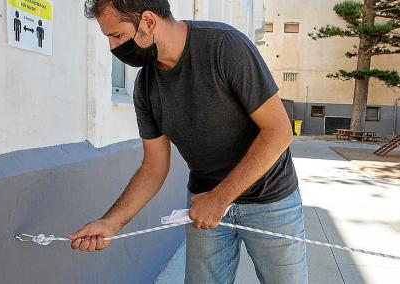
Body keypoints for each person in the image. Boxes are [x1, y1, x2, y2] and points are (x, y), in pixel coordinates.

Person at [68, 1, 308, 283]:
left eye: (117, 35)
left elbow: (279, 131)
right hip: (203, 206)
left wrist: (220, 198)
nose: (113, 47)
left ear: (147, 21)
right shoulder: (145, 86)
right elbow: (153, 167)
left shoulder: (224, 46)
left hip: (271, 200)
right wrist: (111, 222)